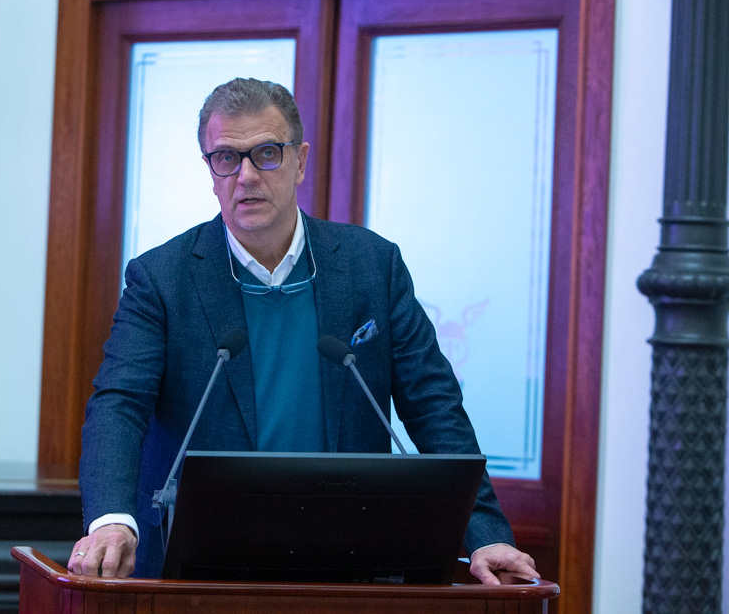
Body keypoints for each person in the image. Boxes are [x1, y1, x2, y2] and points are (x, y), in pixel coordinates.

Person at [68, 78, 538, 585]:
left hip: (349, 562)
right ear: (210, 170)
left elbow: (433, 405)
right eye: (226, 158)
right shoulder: (162, 278)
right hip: (200, 566)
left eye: (266, 154)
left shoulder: (372, 266)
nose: (246, 176)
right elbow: (119, 404)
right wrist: (112, 519)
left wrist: (485, 534)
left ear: (300, 161)